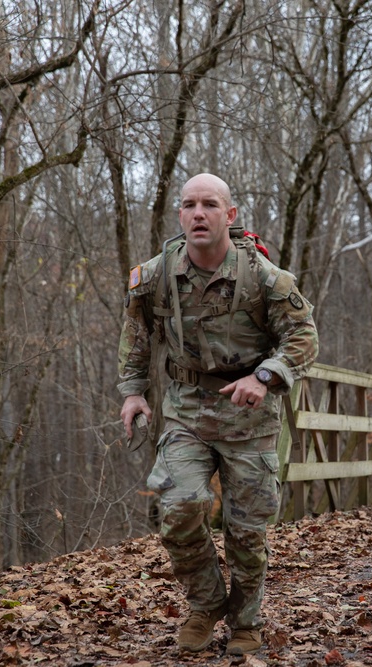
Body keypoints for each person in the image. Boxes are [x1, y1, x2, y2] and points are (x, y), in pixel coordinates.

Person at [117, 173, 319, 655]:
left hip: (248, 418)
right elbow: (137, 333)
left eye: (210, 204)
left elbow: (303, 337)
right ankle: (206, 605)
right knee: (180, 507)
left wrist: (265, 376)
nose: (198, 213)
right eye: (189, 205)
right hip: (186, 411)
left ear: (229, 216)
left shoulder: (264, 277)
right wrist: (133, 392)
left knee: (247, 529)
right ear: (180, 215)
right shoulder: (155, 275)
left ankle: (246, 621)